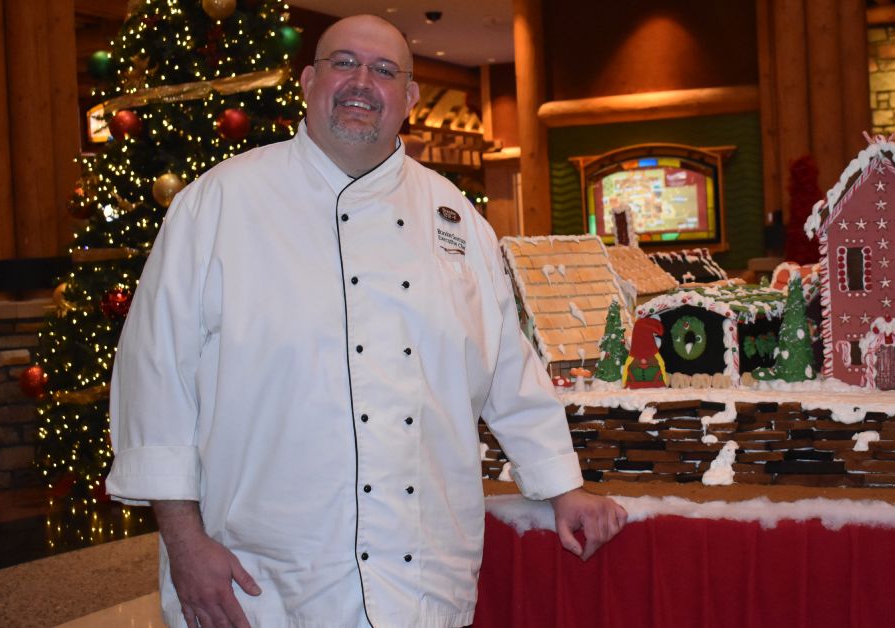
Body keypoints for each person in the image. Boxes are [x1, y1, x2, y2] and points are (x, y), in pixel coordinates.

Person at [106, 15, 627, 628]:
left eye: (384, 71)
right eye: (343, 63)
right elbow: (155, 381)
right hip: (261, 580)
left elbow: (508, 369)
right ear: (307, 80)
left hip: (422, 572)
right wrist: (185, 545)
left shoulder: (454, 217)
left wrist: (563, 486)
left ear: (408, 98)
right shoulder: (217, 203)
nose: (362, 82)